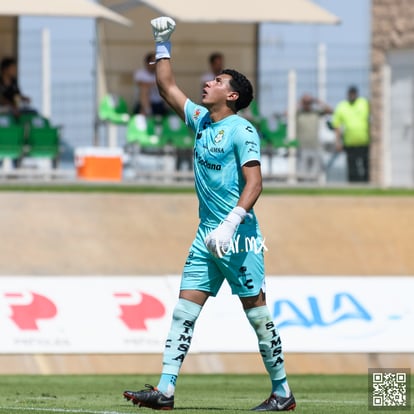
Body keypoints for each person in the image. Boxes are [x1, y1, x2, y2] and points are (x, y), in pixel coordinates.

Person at [123, 16, 296, 412]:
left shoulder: (242, 130)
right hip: (206, 237)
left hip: (240, 237)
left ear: (232, 96)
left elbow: (255, 183)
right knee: (184, 310)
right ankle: (165, 391)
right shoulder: (201, 121)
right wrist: (162, 42)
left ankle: (282, 392)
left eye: (218, 82)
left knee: (256, 312)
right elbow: (166, 87)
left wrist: (232, 222)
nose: (208, 83)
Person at [332, 86, 370, 182]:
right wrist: (338, 142)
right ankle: (353, 186)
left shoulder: (364, 103)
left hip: (364, 141)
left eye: (354, 93)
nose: (352, 95)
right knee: (352, 168)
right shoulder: (342, 106)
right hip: (349, 142)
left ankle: (366, 184)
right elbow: (337, 125)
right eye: (350, 93)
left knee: (366, 166)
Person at [296, 93, 332, 180]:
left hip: (315, 146)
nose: (307, 104)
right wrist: (299, 102)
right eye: (306, 102)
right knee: (302, 173)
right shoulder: (298, 114)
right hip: (302, 147)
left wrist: (317, 101)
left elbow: (330, 111)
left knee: (315, 174)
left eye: (309, 102)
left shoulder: (316, 113)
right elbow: (287, 113)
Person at [132, 52, 169, 116]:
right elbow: (142, 85)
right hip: (143, 104)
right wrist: (156, 83)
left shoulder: (160, 74)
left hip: (158, 104)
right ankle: (148, 112)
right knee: (144, 89)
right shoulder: (140, 73)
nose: (155, 64)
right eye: (153, 62)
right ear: (147, 63)